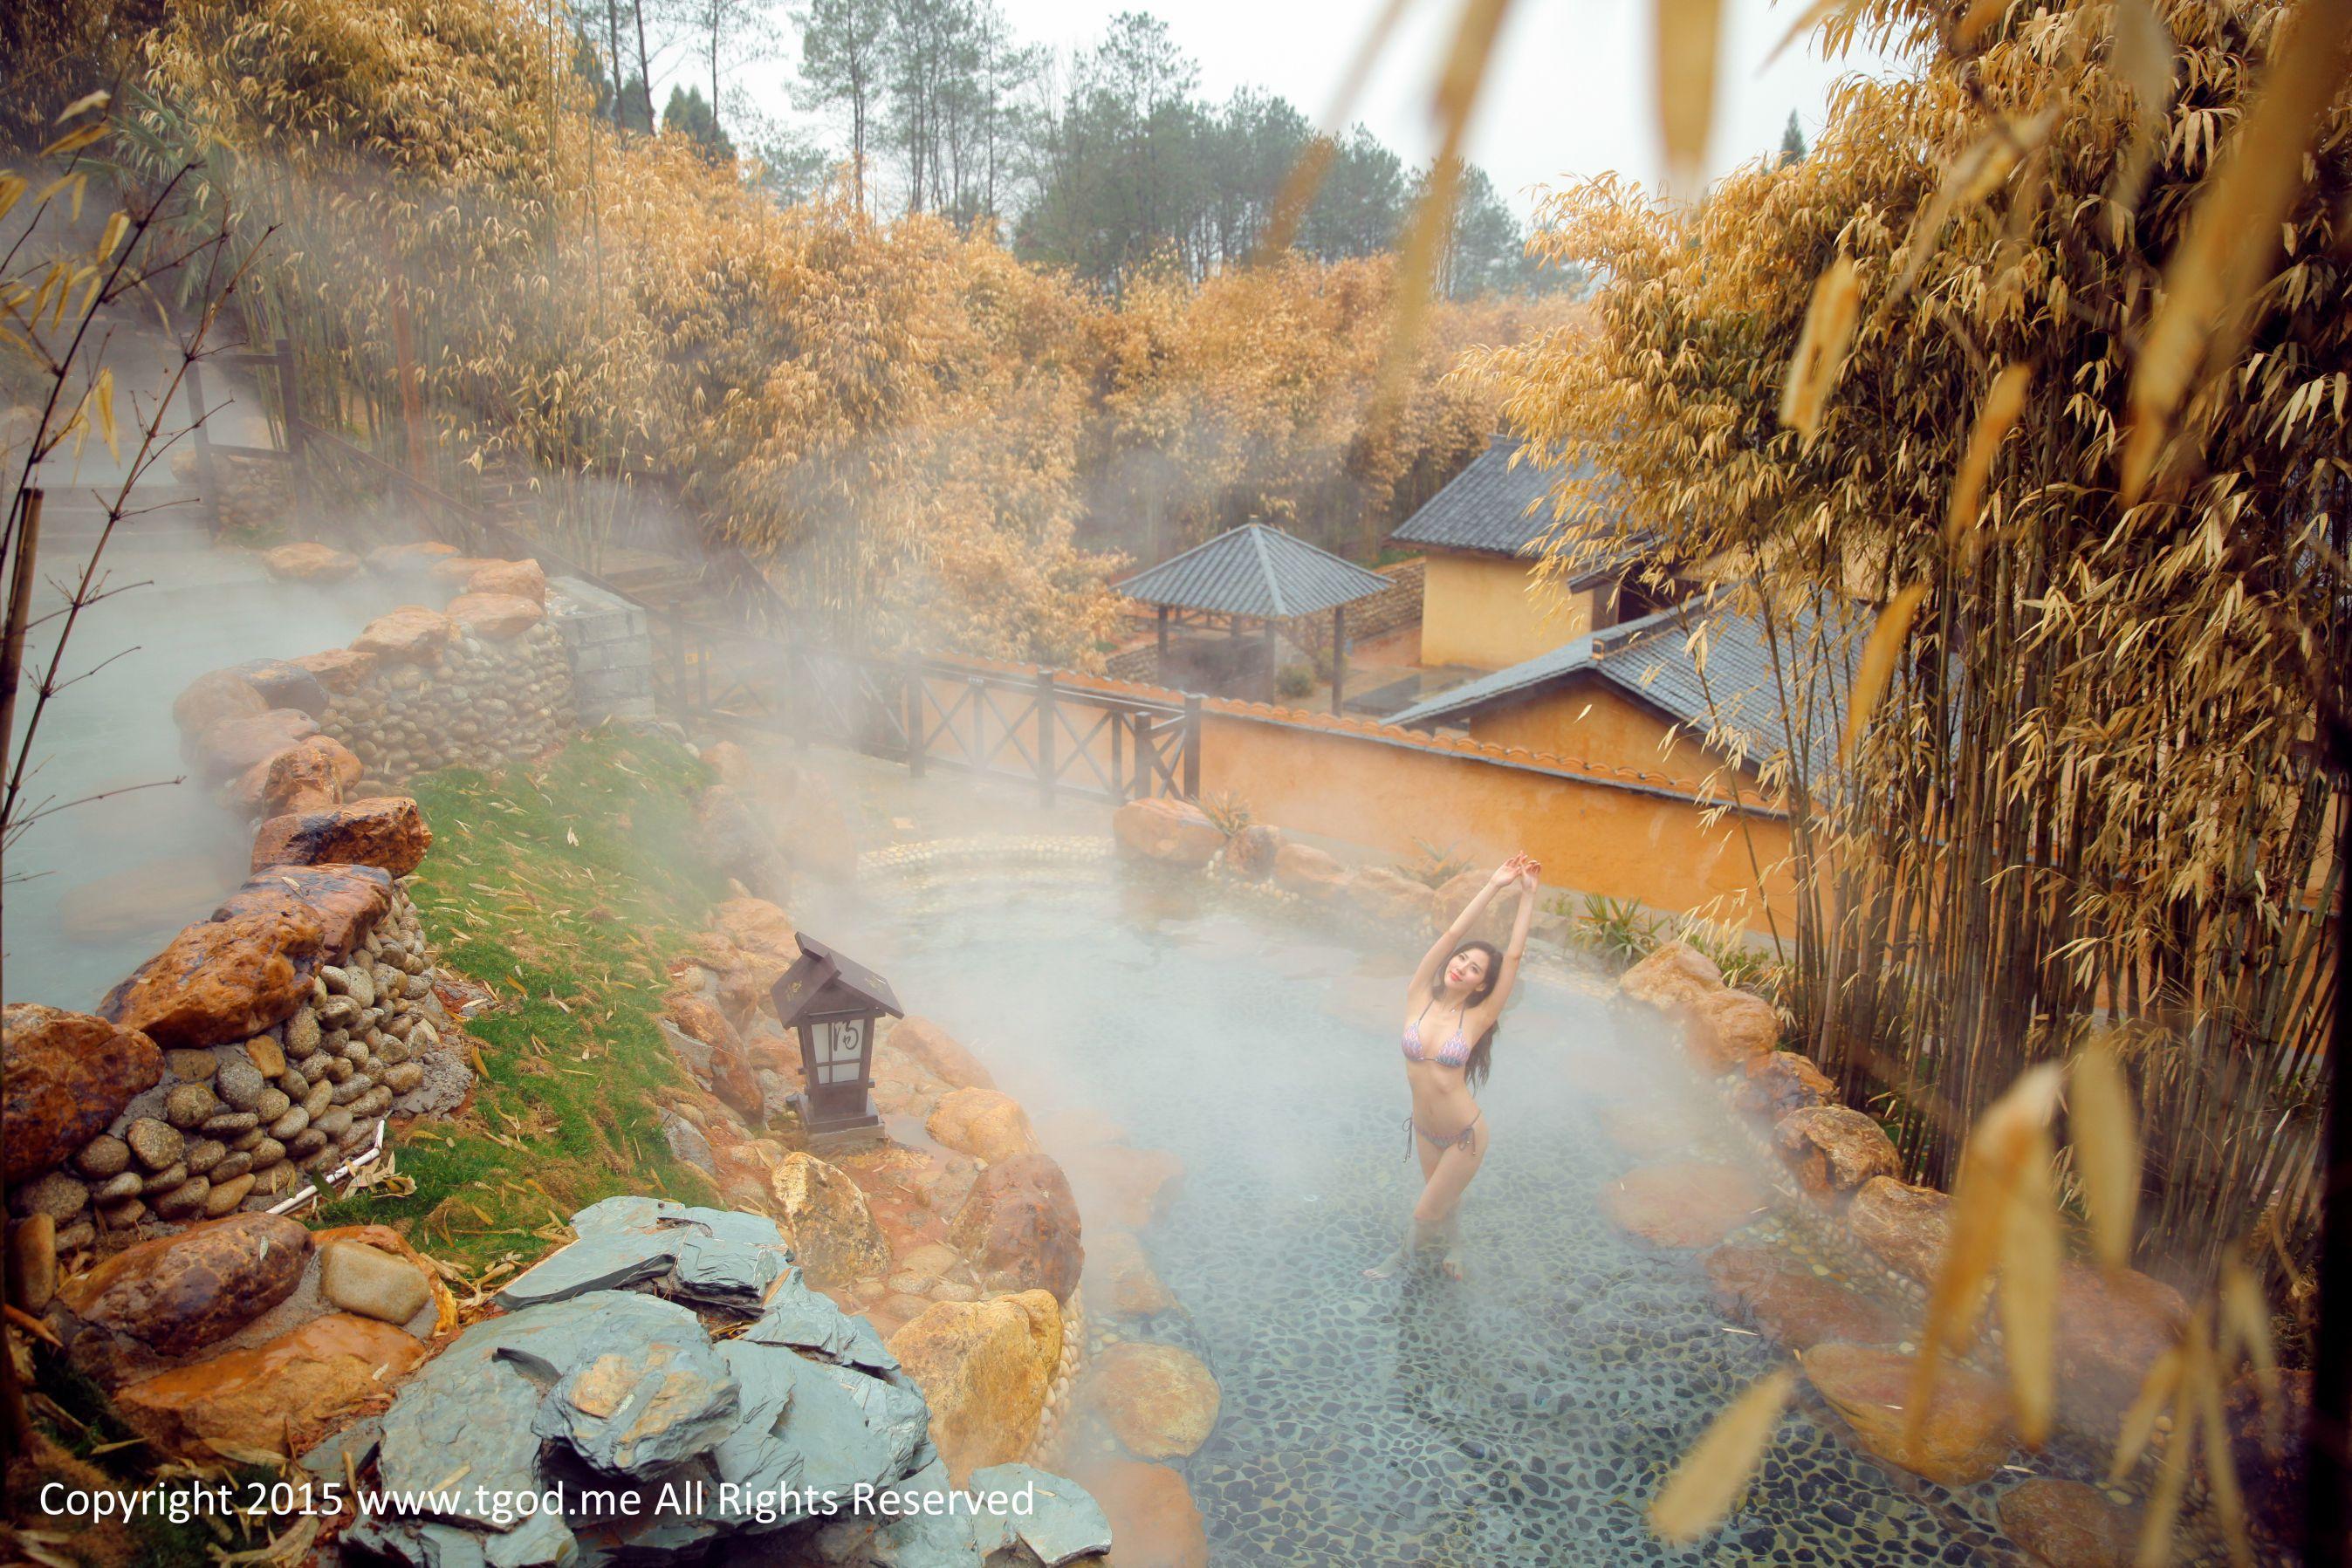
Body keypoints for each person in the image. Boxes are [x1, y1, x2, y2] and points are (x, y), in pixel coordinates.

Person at [1366, 853, 1539, 1282]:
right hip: (1425, 1130)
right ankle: (1458, 1249)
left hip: (1465, 1135)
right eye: (1462, 961)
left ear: (1482, 985)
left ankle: (1400, 1262)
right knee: (1446, 1200)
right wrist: (1494, 885)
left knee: (1426, 1209)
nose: (1461, 967)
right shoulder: (1417, 995)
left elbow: (1513, 958)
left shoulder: (1478, 1018)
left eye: (1475, 969)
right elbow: (1451, 933)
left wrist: (1526, 897)